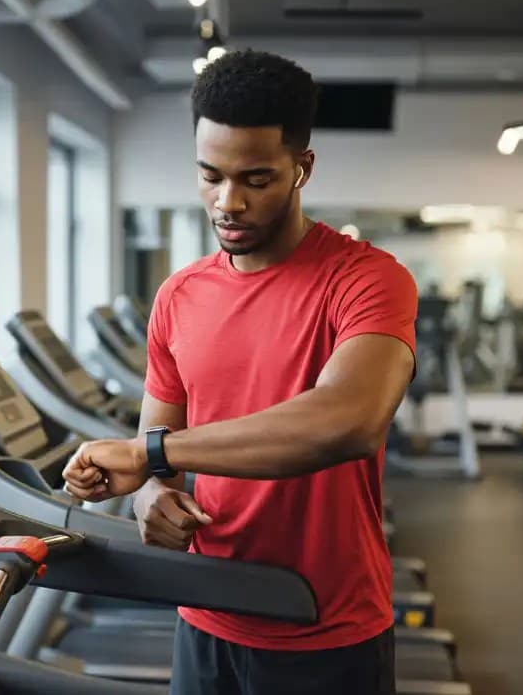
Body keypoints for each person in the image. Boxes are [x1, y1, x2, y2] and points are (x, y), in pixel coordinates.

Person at [63, 50, 417, 695]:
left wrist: (148, 454)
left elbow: (349, 419)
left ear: (301, 168)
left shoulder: (366, 279)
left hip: (327, 622)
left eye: (256, 179)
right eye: (210, 176)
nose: (228, 202)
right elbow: (157, 456)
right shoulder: (179, 296)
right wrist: (150, 497)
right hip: (207, 611)